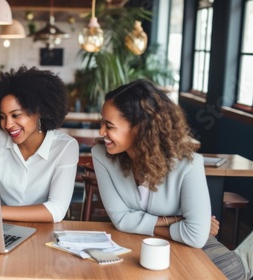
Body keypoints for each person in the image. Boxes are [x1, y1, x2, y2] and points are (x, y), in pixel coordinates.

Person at [91, 79, 252, 280]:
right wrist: (179, 220)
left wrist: (143, 223)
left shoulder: (188, 164)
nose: (101, 132)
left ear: (140, 128)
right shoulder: (101, 155)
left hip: (192, 249)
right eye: (102, 122)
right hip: (136, 242)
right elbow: (121, 220)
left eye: (109, 125)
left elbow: (196, 236)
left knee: (225, 272)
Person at [0, 66, 79, 223]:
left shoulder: (65, 147)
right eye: (2, 116)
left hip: (44, 229)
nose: (8, 124)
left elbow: (56, 210)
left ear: (39, 112)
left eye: (16, 115)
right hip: (0, 225)